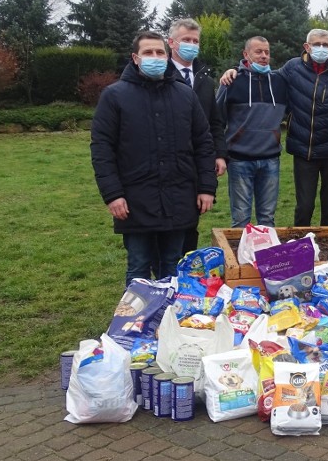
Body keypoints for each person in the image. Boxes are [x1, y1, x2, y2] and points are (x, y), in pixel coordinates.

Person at [91, 31, 218, 285]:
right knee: (138, 266)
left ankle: (168, 321)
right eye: (148, 53)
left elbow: (203, 143)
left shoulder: (184, 95)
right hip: (135, 200)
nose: (155, 57)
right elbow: (102, 148)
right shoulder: (114, 96)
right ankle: (137, 321)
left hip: (179, 196)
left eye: (160, 52)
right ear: (135, 58)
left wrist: (206, 187)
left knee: (172, 264)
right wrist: (113, 194)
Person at [220, 29, 328, 227]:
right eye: (316, 44)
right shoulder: (293, 68)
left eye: (325, 45)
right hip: (304, 151)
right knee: (304, 208)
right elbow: (263, 75)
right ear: (306, 47)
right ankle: (301, 249)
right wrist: (236, 70)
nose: (321, 48)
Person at [167, 18, 227, 254]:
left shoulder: (204, 79)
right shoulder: (162, 75)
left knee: (192, 219)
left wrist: (220, 154)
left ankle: (185, 267)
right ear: (172, 43)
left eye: (195, 41)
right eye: (186, 40)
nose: (191, 44)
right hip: (168, 158)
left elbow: (215, 121)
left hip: (197, 160)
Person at [216, 36, 288, 227]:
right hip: (240, 160)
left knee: (267, 219)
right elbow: (216, 120)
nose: (264, 56)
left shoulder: (280, 82)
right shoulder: (231, 81)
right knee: (240, 220)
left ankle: (265, 257)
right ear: (245, 54)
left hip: (271, 159)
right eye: (258, 52)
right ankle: (240, 257)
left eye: (267, 52)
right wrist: (219, 154)